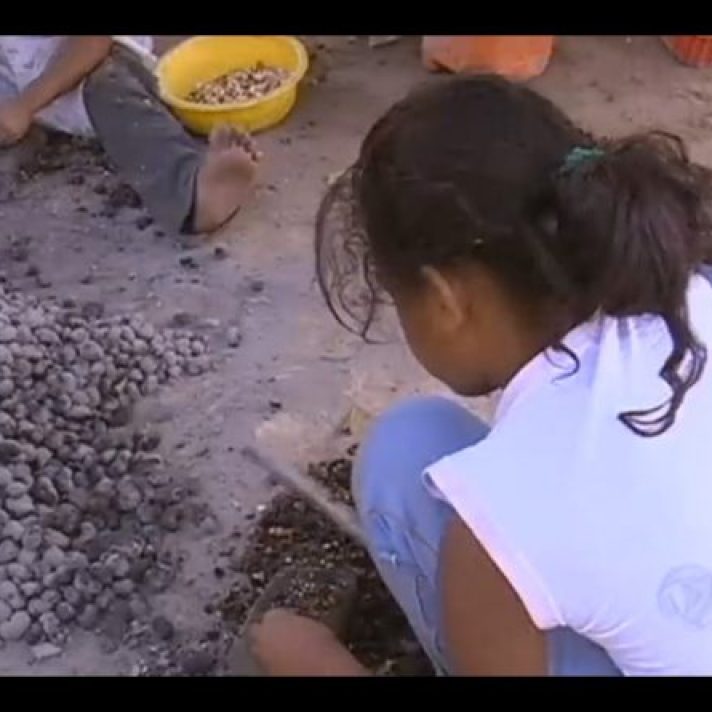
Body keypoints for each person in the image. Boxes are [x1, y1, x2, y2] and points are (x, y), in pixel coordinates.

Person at [249, 75, 712, 676]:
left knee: (400, 455)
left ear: (446, 300)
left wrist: (316, 664)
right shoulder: (690, 284)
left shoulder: (495, 531)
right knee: (418, 437)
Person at [0, 36, 260, 234]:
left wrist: (25, 106)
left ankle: (192, 196)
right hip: (19, 80)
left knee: (111, 89)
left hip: (86, 68)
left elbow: (93, 44)